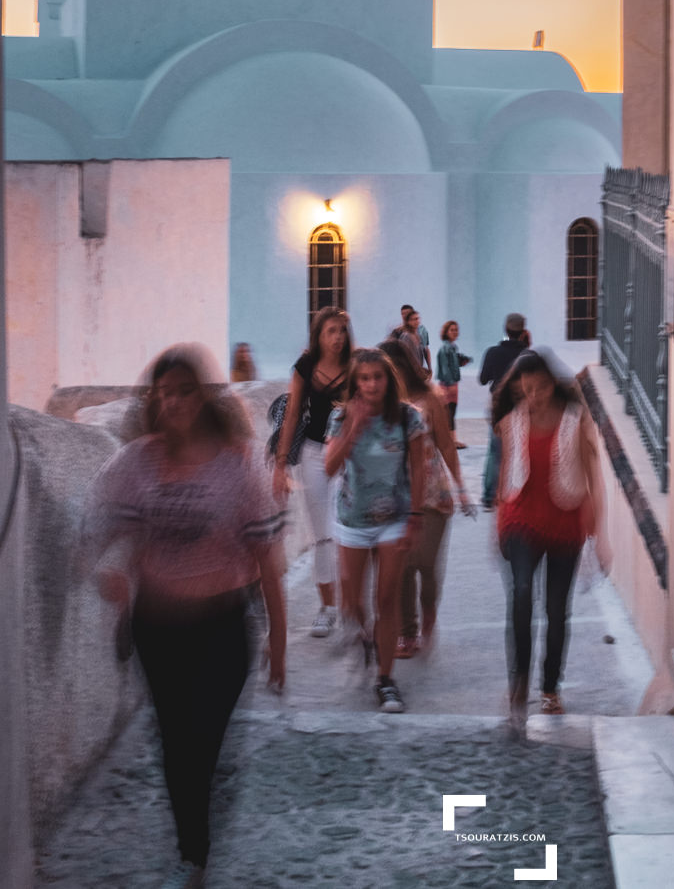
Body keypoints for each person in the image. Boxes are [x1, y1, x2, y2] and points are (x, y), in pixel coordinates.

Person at [87, 345, 286, 889]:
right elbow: (98, 532)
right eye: (163, 392)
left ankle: (198, 830)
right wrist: (108, 578)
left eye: (183, 391)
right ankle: (193, 852)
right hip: (158, 628)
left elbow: (268, 557)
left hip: (222, 629)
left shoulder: (237, 464)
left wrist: (279, 642)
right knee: (176, 743)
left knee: (205, 741)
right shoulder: (137, 462)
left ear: (203, 397)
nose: (172, 402)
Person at [494, 348, 610, 726]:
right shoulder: (511, 422)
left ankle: (549, 688)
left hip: (565, 521)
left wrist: (599, 529)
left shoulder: (576, 420)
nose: (534, 396)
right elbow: (507, 471)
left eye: (540, 387)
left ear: (552, 384)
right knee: (523, 593)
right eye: (526, 390)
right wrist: (499, 521)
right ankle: (518, 683)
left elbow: (594, 473)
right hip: (521, 519)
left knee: (557, 610)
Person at [324, 347, 426, 713]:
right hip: (352, 519)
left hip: (394, 519)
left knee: (386, 600)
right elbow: (329, 467)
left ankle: (385, 680)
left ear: (388, 379)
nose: (371, 384)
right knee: (351, 605)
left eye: (377, 377)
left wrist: (415, 516)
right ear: (355, 382)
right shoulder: (340, 417)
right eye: (364, 378)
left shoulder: (407, 418)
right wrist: (353, 427)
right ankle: (364, 638)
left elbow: (419, 468)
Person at [380, 338, 472, 657]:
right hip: (395, 495)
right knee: (402, 565)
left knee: (425, 564)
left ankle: (428, 610)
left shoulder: (429, 397)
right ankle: (407, 632)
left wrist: (460, 487)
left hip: (433, 493)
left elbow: (446, 444)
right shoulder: (380, 401)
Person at [272, 307, 353, 638]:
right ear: (318, 335)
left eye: (342, 331)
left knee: (349, 529)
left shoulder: (356, 365)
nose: (337, 337)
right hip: (313, 454)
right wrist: (279, 466)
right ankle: (328, 608)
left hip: (349, 455)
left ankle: (354, 606)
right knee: (322, 533)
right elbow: (291, 416)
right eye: (331, 331)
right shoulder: (305, 367)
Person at [479, 313, 528, 510]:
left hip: (498, 405)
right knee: (519, 450)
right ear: (523, 331)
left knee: (494, 450)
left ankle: (489, 495)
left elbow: (483, 379)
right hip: (520, 405)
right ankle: (515, 493)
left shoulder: (493, 352)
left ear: (505, 329)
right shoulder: (527, 355)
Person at [436, 320, 472, 446]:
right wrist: (449, 384)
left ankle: (451, 439)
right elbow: (445, 368)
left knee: (450, 412)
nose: (455, 332)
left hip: (450, 384)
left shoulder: (451, 348)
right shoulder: (446, 348)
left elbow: (451, 365)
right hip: (448, 385)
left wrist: (461, 363)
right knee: (449, 412)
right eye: (452, 330)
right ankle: (451, 441)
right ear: (446, 332)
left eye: (456, 330)